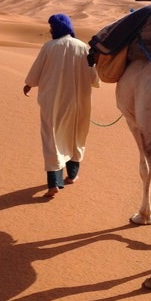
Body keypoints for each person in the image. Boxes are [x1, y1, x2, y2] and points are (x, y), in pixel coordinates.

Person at [23, 13, 99, 197]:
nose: (50, 30)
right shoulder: (82, 47)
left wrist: (29, 84)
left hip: (54, 102)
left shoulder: (50, 47)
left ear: (58, 28)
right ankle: (72, 176)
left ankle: (54, 184)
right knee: (76, 135)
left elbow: (36, 70)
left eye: (52, 27)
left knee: (53, 138)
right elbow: (94, 78)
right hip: (79, 102)